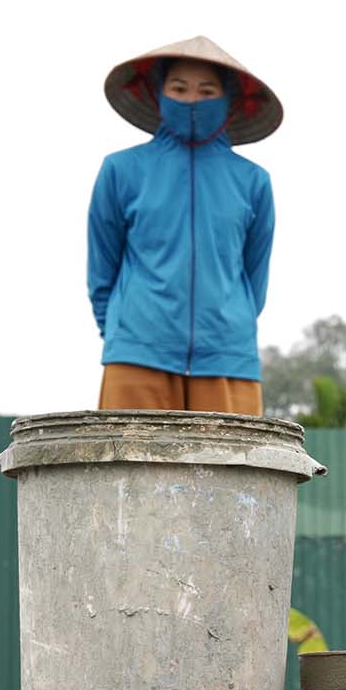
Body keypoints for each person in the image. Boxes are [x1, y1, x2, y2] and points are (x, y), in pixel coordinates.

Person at [89, 36, 282, 414]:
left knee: (231, 471)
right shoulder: (121, 171)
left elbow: (253, 282)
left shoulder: (254, 182)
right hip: (136, 358)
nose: (192, 99)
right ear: (159, 93)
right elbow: (102, 272)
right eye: (179, 87)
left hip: (228, 361)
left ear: (228, 99)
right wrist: (126, 334)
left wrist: (226, 325)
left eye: (206, 89)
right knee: (131, 472)